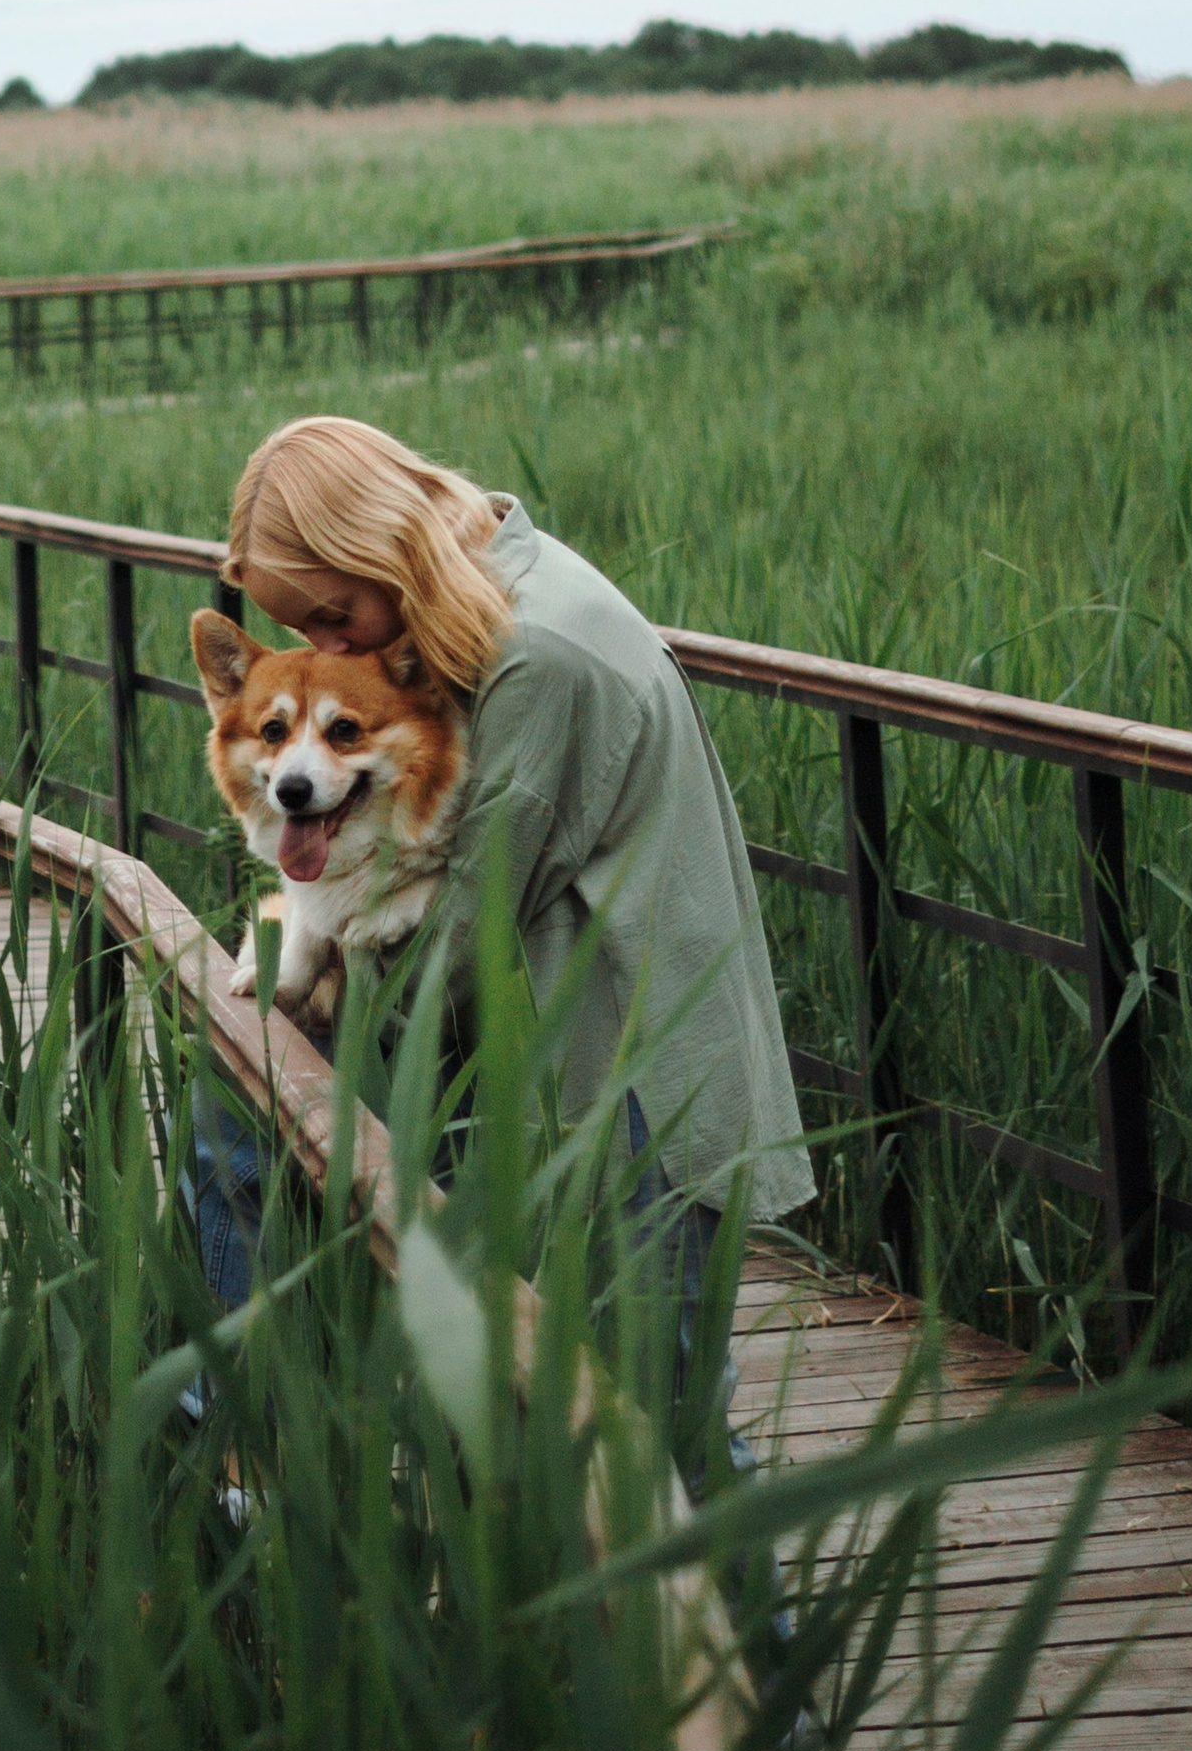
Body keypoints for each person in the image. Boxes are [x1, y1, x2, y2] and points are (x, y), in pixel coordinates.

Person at [186, 412, 813, 1476]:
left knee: (657, 1435)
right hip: (572, 1071)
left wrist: (305, 941)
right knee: (597, 1434)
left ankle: (762, 1646)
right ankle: (241, 1458)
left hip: (634, 1084)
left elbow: (466, 933)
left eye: (335, 616)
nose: (331, 654)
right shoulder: (489, 605)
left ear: (382, 543)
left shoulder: (538, 656)